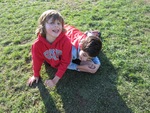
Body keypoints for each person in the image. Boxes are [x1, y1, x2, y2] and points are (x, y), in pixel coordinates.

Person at [27, 10, 72, 88]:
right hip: (52, 61)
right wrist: (36, 75)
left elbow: (65, 62)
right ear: (43, 26)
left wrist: (55, 80)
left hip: (67, 59)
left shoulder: (66, 41)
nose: (56, 26)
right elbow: (36, 60)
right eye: (52, 23)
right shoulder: (37, 45)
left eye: (59, 23)